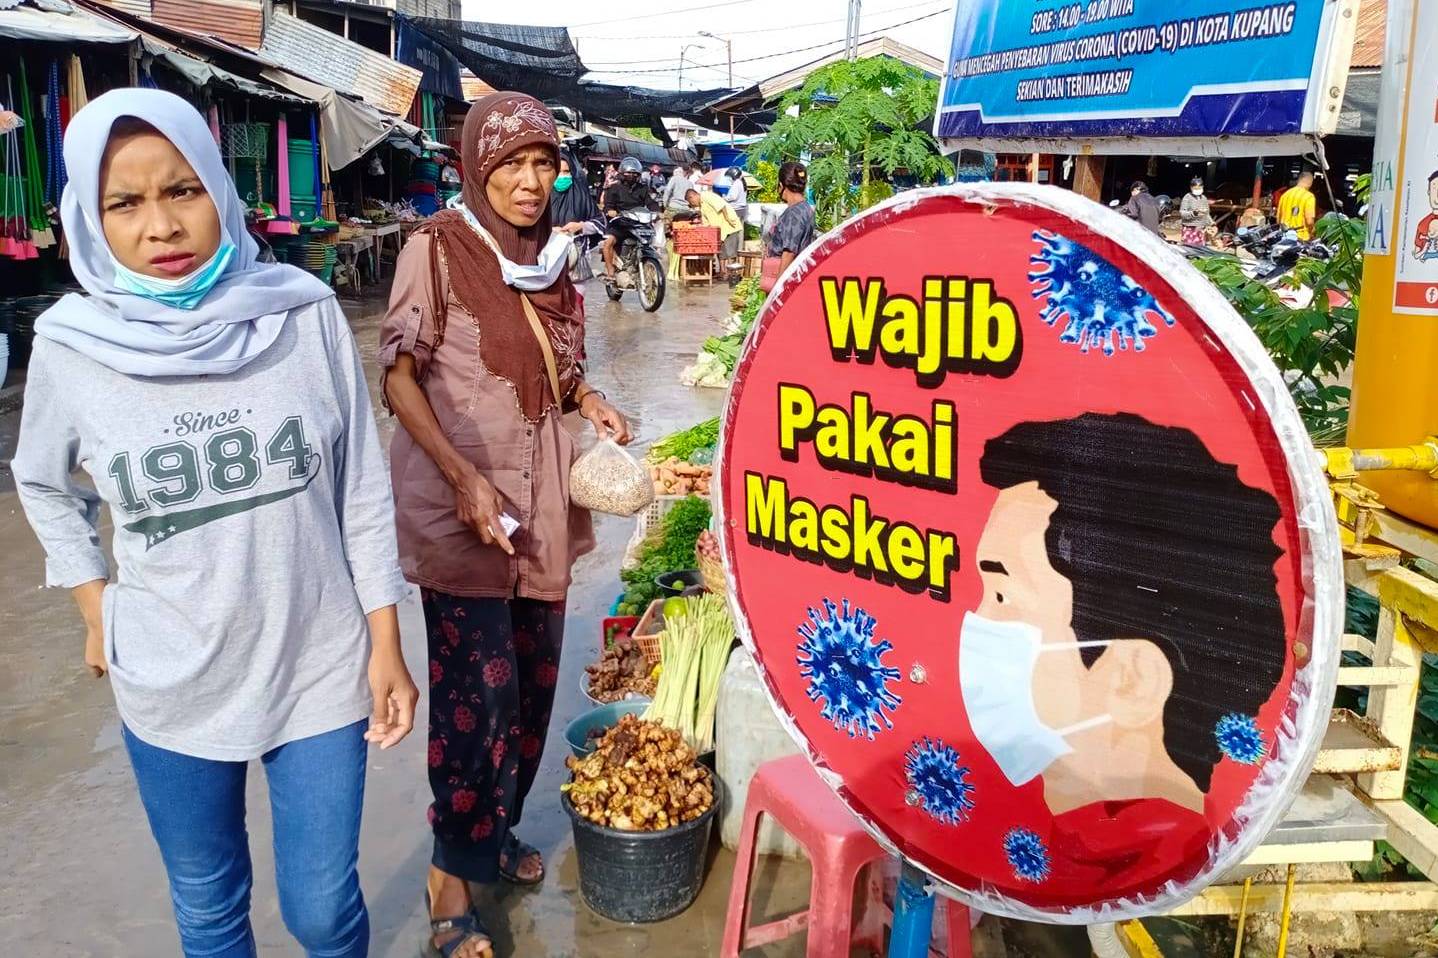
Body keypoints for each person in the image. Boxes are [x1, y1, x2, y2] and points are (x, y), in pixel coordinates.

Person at [10, 88, 417, 957]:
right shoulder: (70, 346)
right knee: (208, 905)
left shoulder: (300, 313)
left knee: (321, 909)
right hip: (170, 678)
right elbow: (42, 482)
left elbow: (361, 493)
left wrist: (386, 641)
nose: (160, 226)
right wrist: (94, 606)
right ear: (90, 217)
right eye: (125, 202)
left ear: (222, 195)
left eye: (182, 190)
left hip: (318, 662)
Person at [379, 91, 632, 958]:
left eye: (543, 163)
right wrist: (461, 477)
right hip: (462, 517)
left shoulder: (554, 263)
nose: (530, 182)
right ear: (476, 167)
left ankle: (495, 834)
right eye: (511, 164)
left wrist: (591, 399)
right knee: (470, 702)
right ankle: (451, 881)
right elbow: (399, 378)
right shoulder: (437, 251)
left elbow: (558, 373)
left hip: (539, 515)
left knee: (527, 690)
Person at [965, 412, 1285, 892]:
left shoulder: (1135, 870)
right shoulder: (1063, 853)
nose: (977, 624)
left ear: (1132, 678)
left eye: (1003, 595)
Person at [550, 147, 606, 280]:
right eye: (558, 172)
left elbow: (600, 221)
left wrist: (581, 226)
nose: (562, 176)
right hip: (546, 260)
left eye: (566, 172)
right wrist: (550, 231)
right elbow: (528, 227)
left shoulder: (581, 194)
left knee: (575, 299)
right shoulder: (540, 195)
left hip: (575, 260)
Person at [600, 156, 654, 281]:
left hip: (638, 223)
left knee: (649, 242)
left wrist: (658, 212)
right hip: (620, 223)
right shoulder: (614, 188)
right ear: (622, 173)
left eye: (634, 173)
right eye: (628, 172)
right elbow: (607, 205)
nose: (631, 175)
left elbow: (650, 202)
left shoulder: (643, 188)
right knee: (608, 243)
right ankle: (610, 271)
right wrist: (610, 211)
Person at [764, 160, 816, 288]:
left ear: (781, 185)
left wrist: (778, 288)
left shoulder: (794, 214)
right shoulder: (805, 208)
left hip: (786, 276)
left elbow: (789, 252)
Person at [686, 187, 743, 277]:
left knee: (731, 252)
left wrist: (727, 218)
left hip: (728, 226)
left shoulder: (707, 196)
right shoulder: (702, 206)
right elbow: (706, 223)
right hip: (718, 231)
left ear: (692, 197)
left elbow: (722, 205)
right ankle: (722, 272)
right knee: (721, 253)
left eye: (692, 202)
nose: (693, 205)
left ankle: (732, 274)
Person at [1278, 171, 1317, 240]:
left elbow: (1278, 219)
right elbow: (1309, 222)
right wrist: (1313, 232)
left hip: (1283, 236)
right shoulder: (1309, 197)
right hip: (1300, 238)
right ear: (1310, 182)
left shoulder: (1285, 195)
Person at [1411, 169, 1438, 261]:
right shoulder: (1422, 224)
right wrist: (1424, 250)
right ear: (1429, 192)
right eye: (1434, 188)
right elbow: (1416, 255)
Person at [1179, 177, 1213, 246]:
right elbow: (1182, 213)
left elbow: (1207, 213)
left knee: (1200, 249)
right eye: (1195, 188)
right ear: (1191, 188)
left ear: (1202, 187)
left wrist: (1211, 222)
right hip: (1189, 229)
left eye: (1199, 188)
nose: (1197, 190)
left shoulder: (1204, 198)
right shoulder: (1187, 197)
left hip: (1201, 229)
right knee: (1189, 248)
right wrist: (1193, 213)